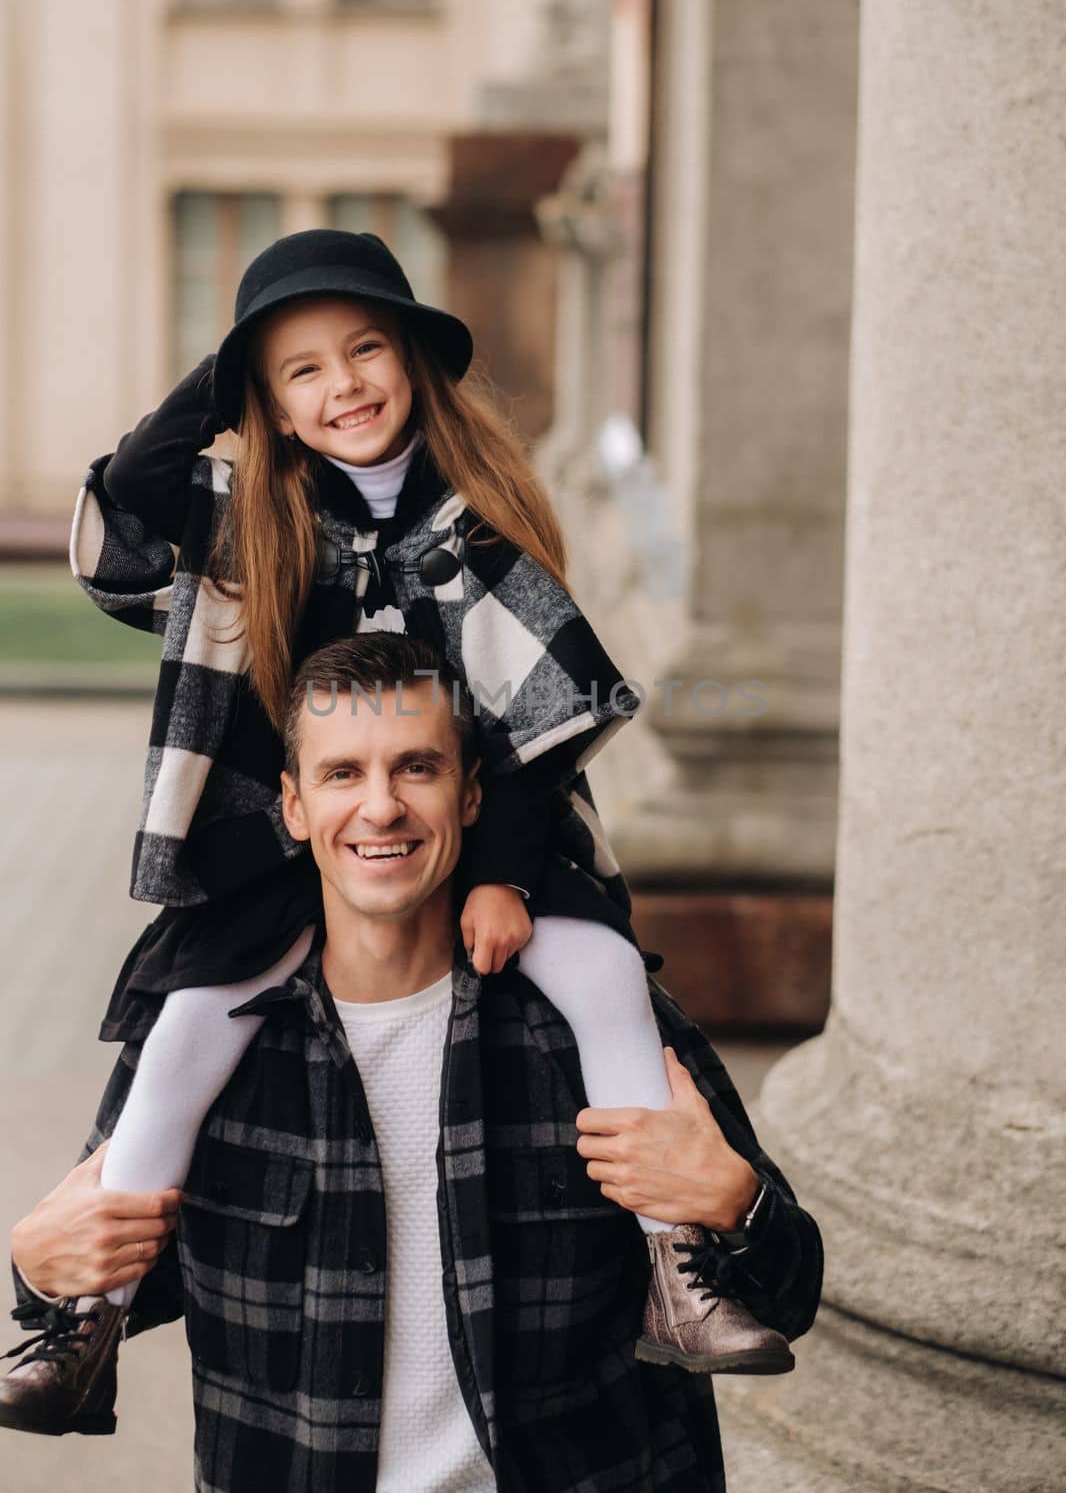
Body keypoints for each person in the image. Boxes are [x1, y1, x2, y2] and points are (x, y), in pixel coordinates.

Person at [1, 229, 787, 1437]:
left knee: (605, 973)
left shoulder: (474, 526)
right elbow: (130, 501)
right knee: (185, 1034)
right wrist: (225, 375)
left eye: (365, 351)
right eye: (300, 372)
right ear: (264, 401)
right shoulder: (251, 519)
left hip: (488, 838)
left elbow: (538, 722)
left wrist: (508, 881)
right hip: (280, 853)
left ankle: (680, 1263)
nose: (344, 386)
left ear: (416, 361)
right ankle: (82, 1320)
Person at [5, 635, 823, 1490]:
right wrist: (34, 1264)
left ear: (471, 795)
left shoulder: (590, 1030)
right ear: (293, 806)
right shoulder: (215, 1039)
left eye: (417, 768)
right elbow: (114, 1271)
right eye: (343, 774)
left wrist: (737, 1202)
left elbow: (788, 1296)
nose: (382, 808)